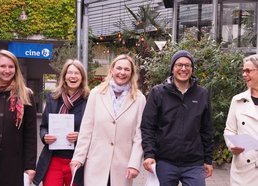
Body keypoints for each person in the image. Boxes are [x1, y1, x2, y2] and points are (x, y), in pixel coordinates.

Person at [70, 54, 146, 186]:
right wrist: (78, 157)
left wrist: (134, 164)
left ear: (132, 73)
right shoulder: (96, 93)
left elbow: (139, 135)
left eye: (127, 69)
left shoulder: (139, 99)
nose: (122, 72)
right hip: (96, 163)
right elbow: (86, 129)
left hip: (123, 166)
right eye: (119, 68)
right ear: (112, 70)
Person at [141, 50, 214, 186]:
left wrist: (208, 160)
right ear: (172, 68)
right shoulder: (158, 93)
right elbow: (148, 126)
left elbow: (207, 129)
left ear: (192, 69)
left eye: (187, 65)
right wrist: (149, 154)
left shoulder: (202, 94)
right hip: (164, 161)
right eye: (179, 65)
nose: (183, 69)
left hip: (194, 163)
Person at [33, 59, 90, 186]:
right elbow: (43, 126)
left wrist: (79, 136)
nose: (73, 76)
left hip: (78, 161)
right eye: (70, 72)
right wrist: (44, 136)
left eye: (77, 73)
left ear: (82, 77)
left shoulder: (89, 100)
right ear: (64, 76)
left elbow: (96, 130)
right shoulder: (53, 99)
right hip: (53, 159)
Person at [0, 49, 37, 186]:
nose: (7, 70)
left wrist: (30, 166)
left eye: (11, 66)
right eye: (3, 66)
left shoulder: (25, 95)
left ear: (16, 69)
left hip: (13, 163)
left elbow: (30, 134)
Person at [224, 54, 258, 186]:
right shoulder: (237, 100)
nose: (244, 74)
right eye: (243, 70)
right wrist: (232, 146)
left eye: (248, 71)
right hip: (243, 170)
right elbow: (229, 130)